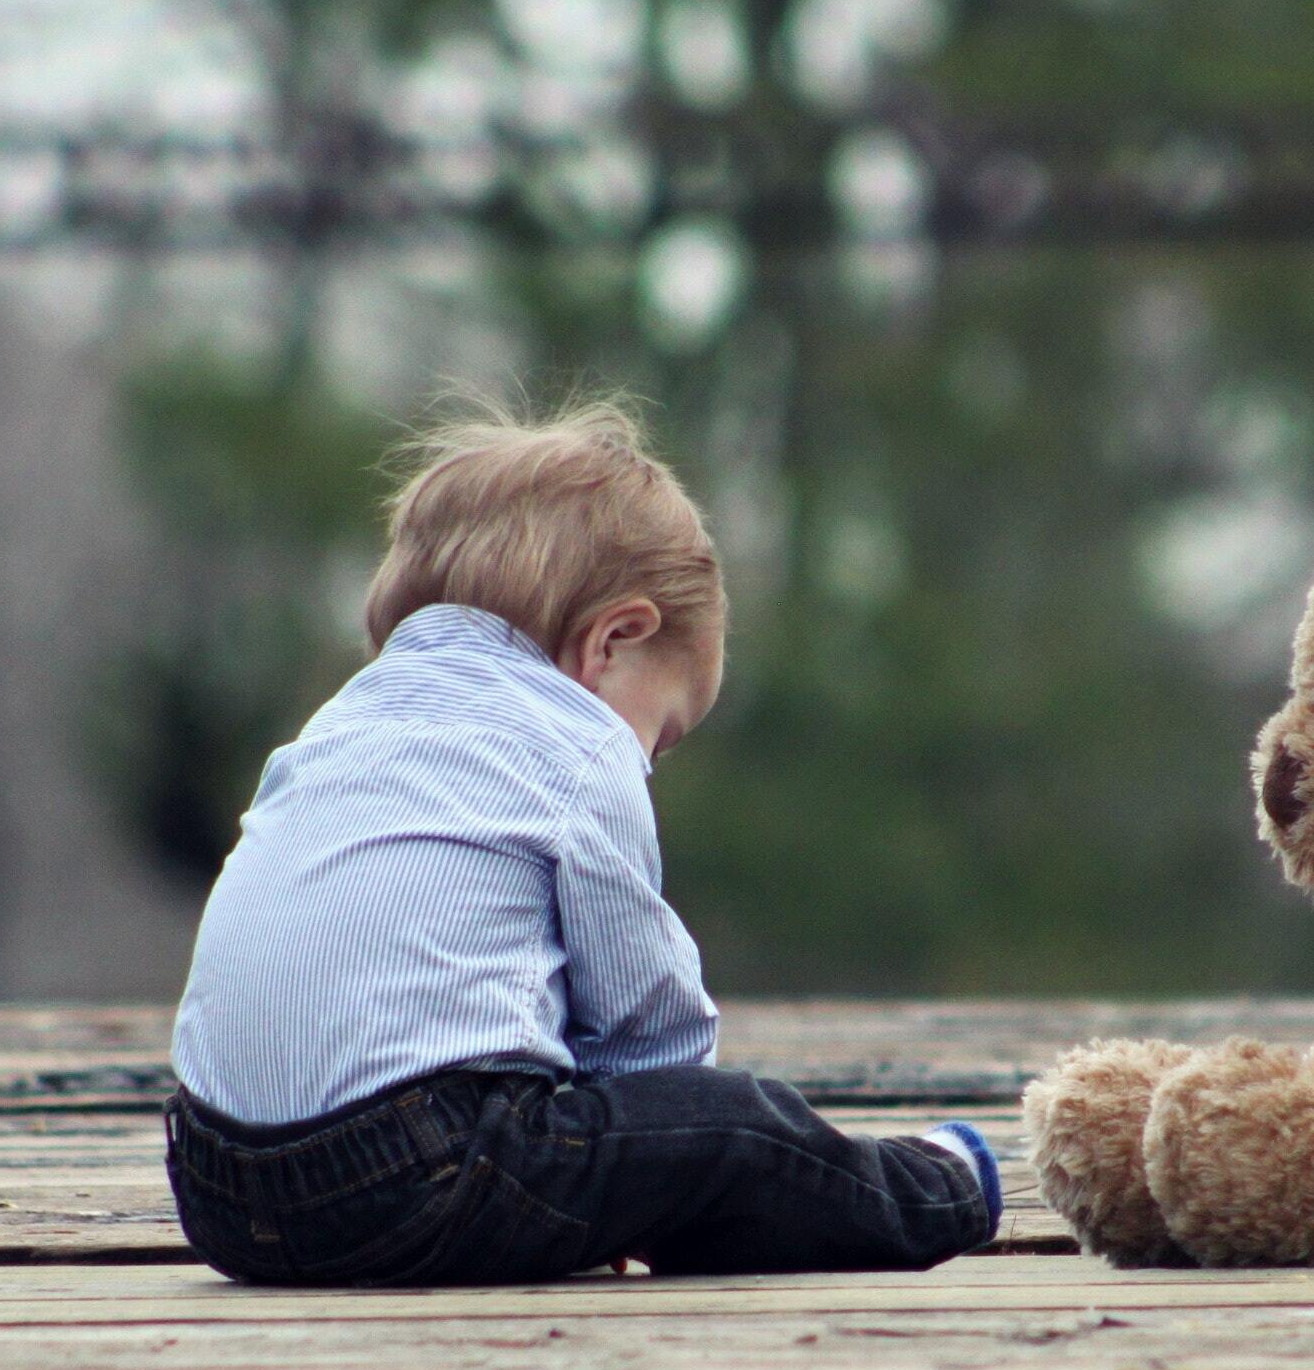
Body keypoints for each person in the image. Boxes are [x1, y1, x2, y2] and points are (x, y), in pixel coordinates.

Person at [163, 396, 1002, 1286]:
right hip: (414, 1178)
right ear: (614, 639)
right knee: (740, 1129)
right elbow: (647, 1027)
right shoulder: (576, 741)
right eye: (664, 734)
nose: (648, 761)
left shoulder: (339, 724)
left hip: (216, 1190)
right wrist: (664, 1160)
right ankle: (938, 1187)